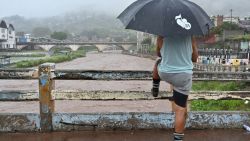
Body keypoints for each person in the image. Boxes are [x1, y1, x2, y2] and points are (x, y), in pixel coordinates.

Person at [153, 35, 198, 141]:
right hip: (183, 77)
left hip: (166, 73)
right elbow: (194, 58)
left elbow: (159, 54)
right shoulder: (190, 37)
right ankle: (178, 139)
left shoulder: (161, 36)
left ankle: (155, 85)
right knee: (180, 110)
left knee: (157, 62)